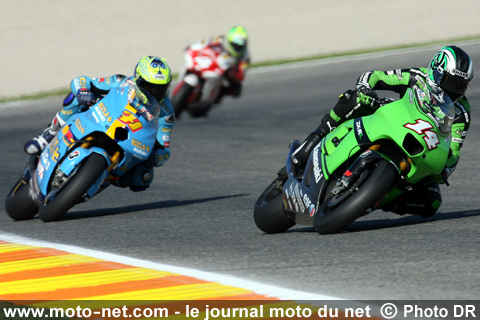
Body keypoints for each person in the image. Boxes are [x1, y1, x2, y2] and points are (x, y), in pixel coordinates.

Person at [291, 45, 474, 217]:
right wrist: (365, 89)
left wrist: (445, 168)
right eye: (452, 82)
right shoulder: (417, 76)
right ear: (437, 71)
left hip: (420, 149)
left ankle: (374, 199)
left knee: (431, 201)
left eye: (462, 85)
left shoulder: (462, 112)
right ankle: (310, 143)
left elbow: (454, 151)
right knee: (353, 99)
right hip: (392, 119)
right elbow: (375, 76)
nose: (456, 89)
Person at [24, 56, 175, 191]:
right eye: (150, 87)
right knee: (75, 99)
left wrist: (157, 157)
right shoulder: (123, 81)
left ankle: (97, 179)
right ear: (138, 80)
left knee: (143, 176)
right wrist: (83, 90)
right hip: (104, 118)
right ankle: (48, 135)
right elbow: (82, 81)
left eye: (161, 88)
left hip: (130, 139)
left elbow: (165, 149)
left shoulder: (166, 113)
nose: (155, 92)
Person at [175, 25, 250, 117]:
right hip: (213, 64)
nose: (238, 48)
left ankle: (211, 100)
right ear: (229, 41)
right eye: (235, 45)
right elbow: (205, 44)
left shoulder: (245, 57)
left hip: (228, 72)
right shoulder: (219, 40)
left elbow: (240, 75)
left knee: (235, 90)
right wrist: (194, 47)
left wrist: (231, 73)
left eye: (240, 46)